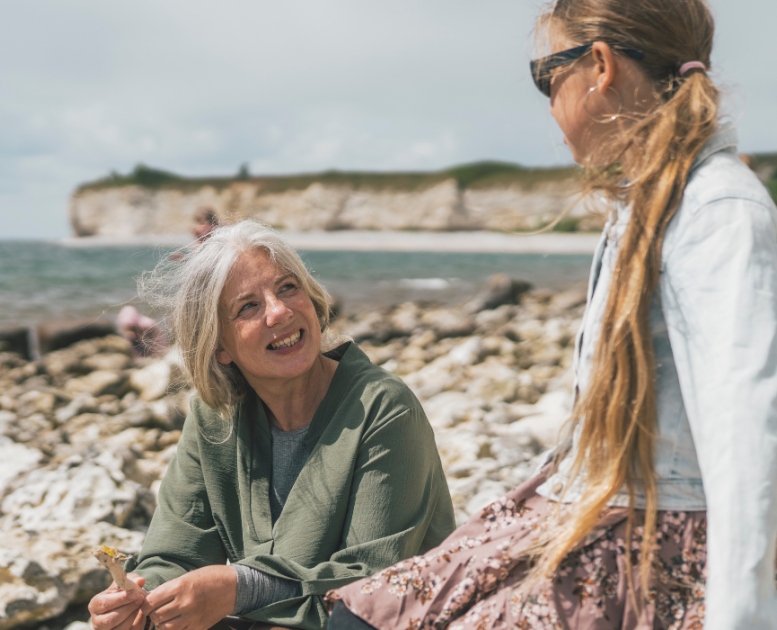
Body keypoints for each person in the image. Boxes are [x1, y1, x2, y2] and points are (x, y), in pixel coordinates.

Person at [327, 1, 777, 628]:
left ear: (599, 66)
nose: (546, 101)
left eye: (547, 76)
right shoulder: (644, 202)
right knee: (362, 614)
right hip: (591, 509)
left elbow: (746, 446)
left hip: (656, 548)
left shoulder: (717, 210)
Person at [88, 220, 455, 630]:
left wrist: (238, 587)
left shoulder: (383, 407)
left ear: (312, 300)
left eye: (287, 288)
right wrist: (138, 600)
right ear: (219, 346)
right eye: (248, 307)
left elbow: (373, 588)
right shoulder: (216, 419)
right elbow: (177, 555)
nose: (279, 311)